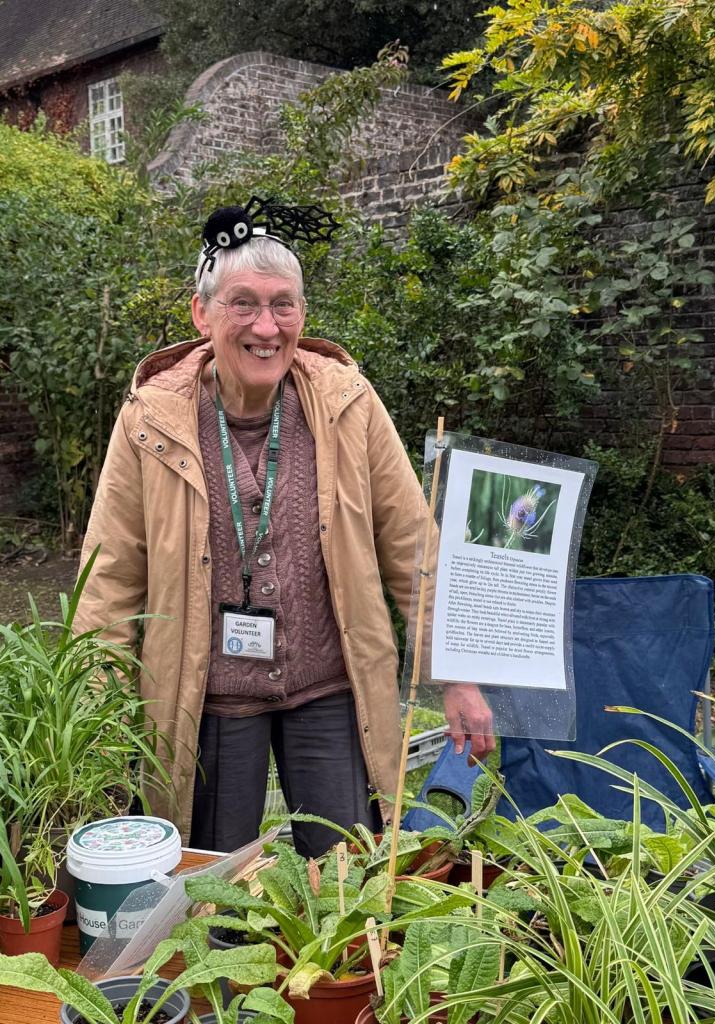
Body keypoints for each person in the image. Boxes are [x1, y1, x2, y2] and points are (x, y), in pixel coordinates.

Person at [74, 197, 494, 856]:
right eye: (243, 303)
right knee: (210, 895)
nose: (266, 326)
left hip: (330, 685)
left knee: (344, 885)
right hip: (208, 694)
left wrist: (460, 678)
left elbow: (415, 550)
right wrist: (92, 717)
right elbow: (108, 583)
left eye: (284, 304)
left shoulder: (347, 403)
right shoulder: (151, 420)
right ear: (201, 313)